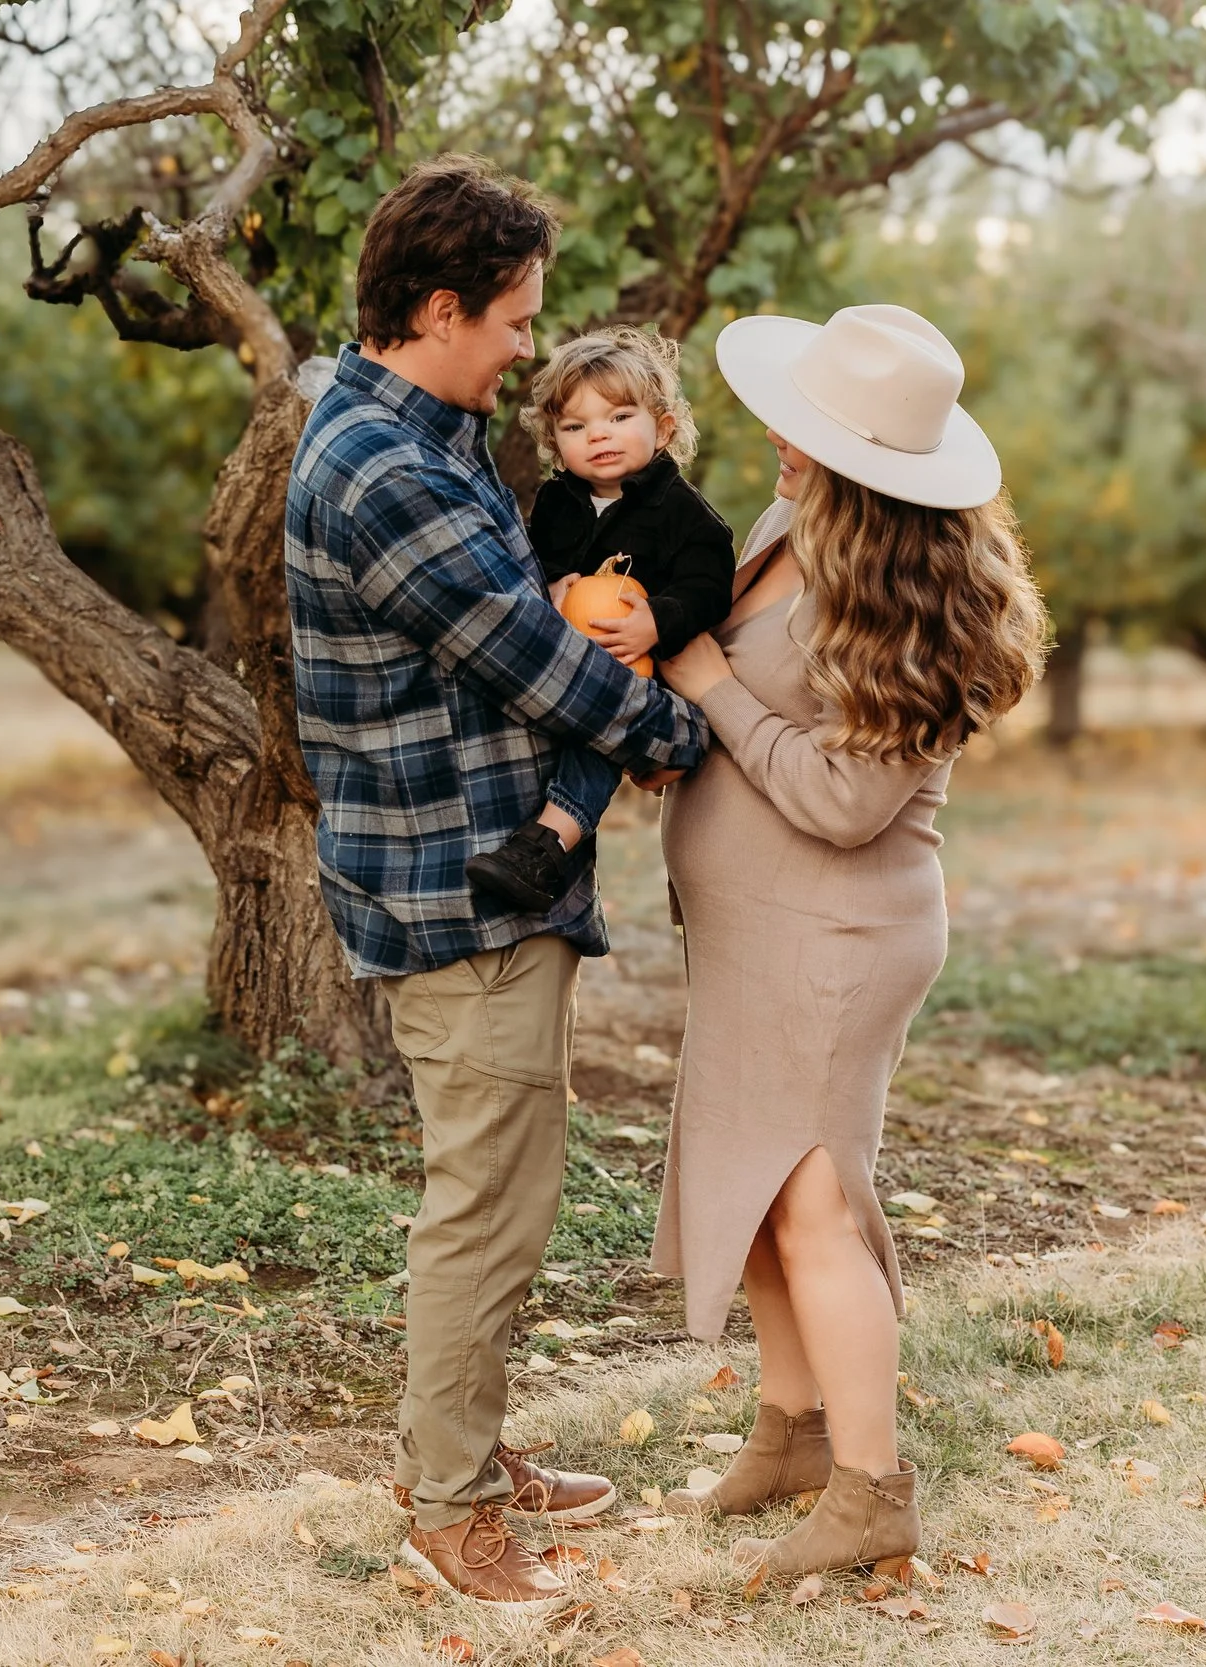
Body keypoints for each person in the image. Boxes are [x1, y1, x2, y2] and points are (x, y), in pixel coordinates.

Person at [282, 155, 711, 1614]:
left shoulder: (423, 421)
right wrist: (680, 731)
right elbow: (532, 653)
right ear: (445, 306)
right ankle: (452, 1512)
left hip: (468, 868)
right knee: (490, 1206)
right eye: (519, 320)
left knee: (502, 1185)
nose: (535, 347)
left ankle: (460, 1445)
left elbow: (534, 602)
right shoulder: (390, 469)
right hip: (459, 889)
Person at [649, 303, 1046, 1580]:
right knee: (763, 1195)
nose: (778, 439)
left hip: (835, 935)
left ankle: (874, 1488)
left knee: (815, 1203)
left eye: (807, 431)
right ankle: (796, 1429)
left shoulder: (912, 610)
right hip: (758, 926)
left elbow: (839, 799)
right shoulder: (790, 531)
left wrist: (705, 685)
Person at [463, 326, 736, 913]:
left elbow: (710, 589)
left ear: (662, 427)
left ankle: (548, 846)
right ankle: (520, 835)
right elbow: (540, 563)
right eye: (576, 427)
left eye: (617, 417)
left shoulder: (684, 514)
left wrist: (658, 621)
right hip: (566, 659)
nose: (599, 436)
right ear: (554, 441)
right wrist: (555, 580)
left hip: (641, 670)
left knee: (598, 744)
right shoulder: (559, 501)